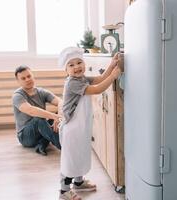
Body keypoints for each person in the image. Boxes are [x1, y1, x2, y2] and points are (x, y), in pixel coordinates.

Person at [58, 47, 121, 200]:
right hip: (72, 127)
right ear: (66, 70)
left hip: (81, 126)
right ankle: (64, 191)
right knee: (71, 158)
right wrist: (113, 77)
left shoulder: (82, 78)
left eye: (79, 62)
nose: (77, 67)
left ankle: (78, 183)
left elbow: (99, 79)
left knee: (80, 153)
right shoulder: (73, 83)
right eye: (71, 65)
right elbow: (97, 88)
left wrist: (112, 65)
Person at [12, 65, 62, 155]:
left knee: (60, 112)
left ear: (33, 76)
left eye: (29, 76)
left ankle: (41, 144)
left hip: (40, 130)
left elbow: (60, 102)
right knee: (39, 119)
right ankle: (62, 145)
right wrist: (54, 116)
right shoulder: (17, 96)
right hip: (25, 136)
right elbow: (31, 110)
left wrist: (57, 117)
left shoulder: (41, 92)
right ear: (18, 81)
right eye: (23, 78)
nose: (27, 79)